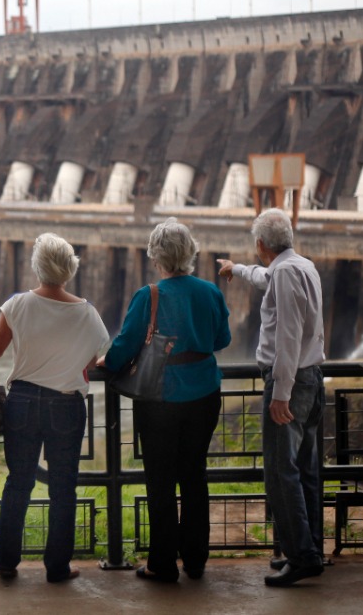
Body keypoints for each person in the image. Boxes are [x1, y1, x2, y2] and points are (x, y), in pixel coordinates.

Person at [0, 233, 110, 584]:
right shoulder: (87, 313)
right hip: (67, 404)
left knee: (18, 482)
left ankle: (6, 562)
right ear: (70, 268)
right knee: (63, 488)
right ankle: (57, 567)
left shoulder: (18, 304)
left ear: (37, 266)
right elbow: (92, 361)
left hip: (22, 402)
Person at [98, 218, 231, 583]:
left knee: (160, 481)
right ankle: (196, 559)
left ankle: (162, 563)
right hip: (205, 393)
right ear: (190, 253)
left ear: (156, 256)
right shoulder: (210, 291)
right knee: (194, 476)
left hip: (160, 397)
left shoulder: (149, 295)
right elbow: (222, 340)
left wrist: (107, 362)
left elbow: (125, 345)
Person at [217, 207, 326, 587]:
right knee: (306, 471)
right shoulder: (301, 266)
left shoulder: (285, 273)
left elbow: (288, 336)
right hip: (311, 381)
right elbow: (264, 277)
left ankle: (302, 557)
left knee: (281, 473)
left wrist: (280, 393)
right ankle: (311, 548)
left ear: (261, 243)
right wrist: (237, 269)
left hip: (291, 385)